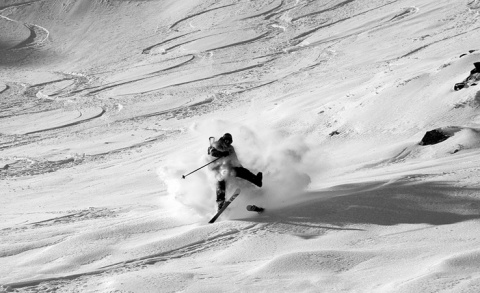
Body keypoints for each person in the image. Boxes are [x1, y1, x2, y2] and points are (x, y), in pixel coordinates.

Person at [207, 133, 263, 211]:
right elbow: (213, 152)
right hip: (218, 168)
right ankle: (220, 203)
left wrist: (240, 167)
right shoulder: (217, 144)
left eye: (229, 141)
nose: (227, 143)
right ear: (223, 139)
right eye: (226, 140)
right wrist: (222, 153)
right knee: (220, 181)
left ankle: (257, 181)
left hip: (228, 168)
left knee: (242, 171)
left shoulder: (230, 148)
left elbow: (235, 159)